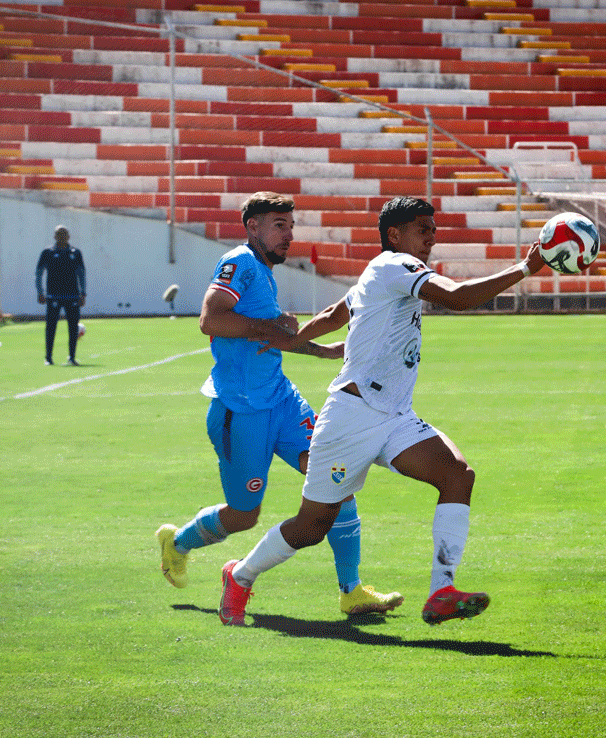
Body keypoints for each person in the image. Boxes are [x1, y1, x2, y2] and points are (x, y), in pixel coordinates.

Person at [218, 196, 547, 627]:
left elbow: (339, 312)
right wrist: (527, 267)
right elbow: (459, 298)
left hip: (394, 415)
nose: (432, 236)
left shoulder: (383, 272)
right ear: (395, 235)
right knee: (311, 526)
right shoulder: (395, 264)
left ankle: (441, 591)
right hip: (351, 419)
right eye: (422, 228)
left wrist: (295, 342)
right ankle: (240, 576)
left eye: (433, 228)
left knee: (456, 474)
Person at [156, 191, 404, 618]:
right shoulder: (240, 263)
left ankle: (352, 589)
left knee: (336, 478)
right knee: (243, 516)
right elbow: (211, 320)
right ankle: (177, 543)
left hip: (282, 402)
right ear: (253, 227)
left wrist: (324, 351)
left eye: (291, 225)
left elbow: (270, 335)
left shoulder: (264, 273)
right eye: (279, 225)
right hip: (240, 413)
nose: (288, 234)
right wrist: (269, 324)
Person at [36, 225, 86, 366]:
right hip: (53, 295)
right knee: (51, 326)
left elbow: (81, 274)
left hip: (72, 295)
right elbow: (39, 273)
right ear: (54, 236)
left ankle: (71, 357)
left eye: (64, 233)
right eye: (59, 233)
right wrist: (40, 292)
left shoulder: (75, 253)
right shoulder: (47, 252)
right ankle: (48, 357)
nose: (62, 236)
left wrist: (83, 293)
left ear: (69, 236)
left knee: (72, 326)